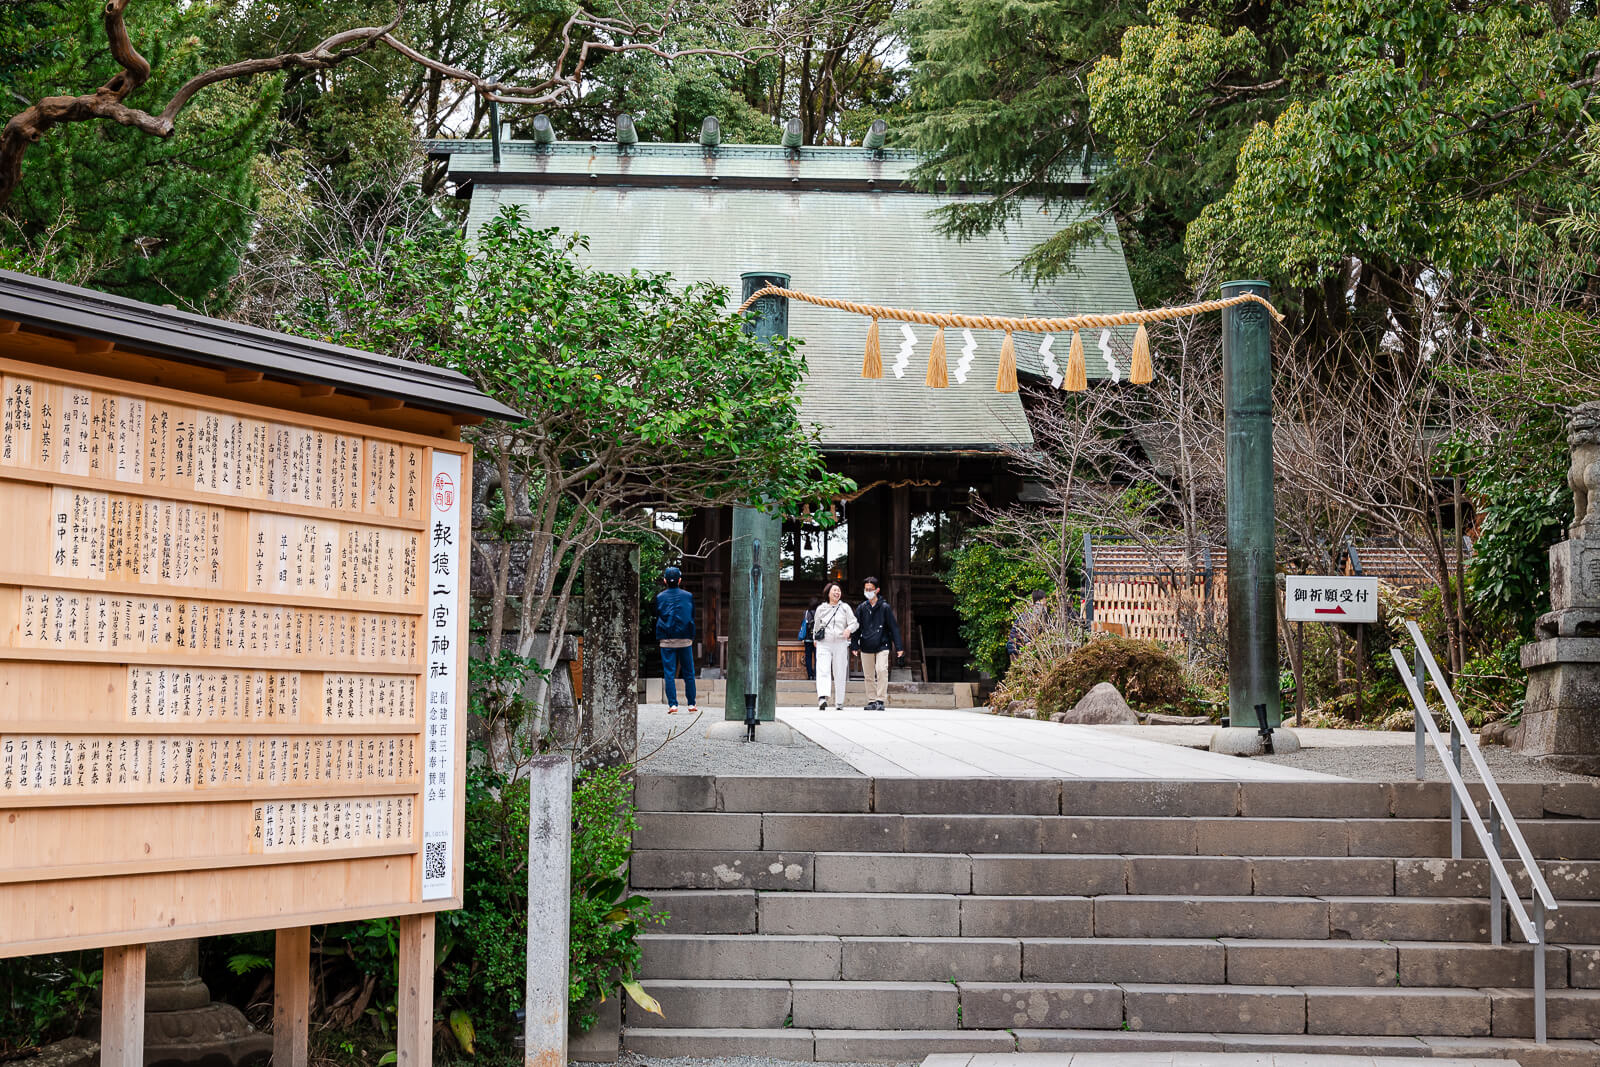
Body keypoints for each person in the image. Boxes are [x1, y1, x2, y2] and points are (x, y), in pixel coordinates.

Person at [852, 576, 904, 710]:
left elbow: (893, 627)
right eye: (866, 589)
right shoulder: (861, 608)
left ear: (877, 590)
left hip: (882, 643)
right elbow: (856, 627)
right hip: (866, 644)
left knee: (881, 670)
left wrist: (899, 647)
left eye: (871, 589)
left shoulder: (885, 607)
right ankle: (871, 700)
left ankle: (880, 699)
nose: (868, 591)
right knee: (868, 675)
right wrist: (854, 645)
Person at [654, 566, 696, 714]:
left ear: (665, 580)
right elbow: (692, 615)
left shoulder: (660, 597)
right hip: (685, 638)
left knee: (669, 673)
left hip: (667, 639)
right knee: (689, 672)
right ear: (679, 580)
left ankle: (673, 704)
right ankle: (691, 704)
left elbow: (658, 614)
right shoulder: (688, 596)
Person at [812, 581, 858, 710]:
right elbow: (816, 626)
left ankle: (839, 701)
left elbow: (854, 623)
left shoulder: (845, 608)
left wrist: (849, 630)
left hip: (840, 642)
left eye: (838, 591)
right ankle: (822, 697)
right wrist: (815, 638)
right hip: (824, 643)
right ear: (828, 593)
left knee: (840, 671)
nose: (837, 593)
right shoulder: (821, 608)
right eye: (834, 591)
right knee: (823, 669)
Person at [798, 599, 817, 680]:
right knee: (817, 658)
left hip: (807, 639)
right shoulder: (819, 613)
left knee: (808, 657)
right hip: (817, 639)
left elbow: (803, 624)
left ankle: (810, 675)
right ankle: (816, 675)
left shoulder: (805, 613)